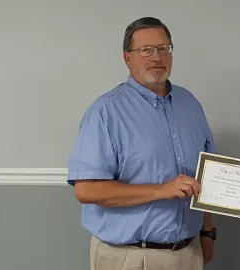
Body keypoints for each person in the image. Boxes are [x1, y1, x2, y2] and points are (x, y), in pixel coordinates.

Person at [67, 17, 217, 270]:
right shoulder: (105, 112)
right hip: (130, 257)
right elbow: (86, 190)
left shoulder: (189, 103)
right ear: (127, 58)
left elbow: (208, 174)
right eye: (146, 50)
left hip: (188, 253)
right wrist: (161, 190)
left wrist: (207, 232)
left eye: (163, 49)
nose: (156, 57)